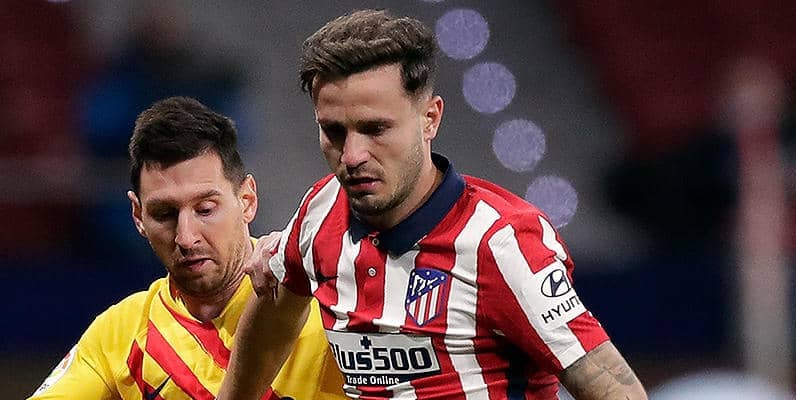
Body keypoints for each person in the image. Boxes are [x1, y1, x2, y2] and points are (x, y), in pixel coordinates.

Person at [219, 9, 648, 400]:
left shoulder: (502, 242)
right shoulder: (320, 209)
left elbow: (614, 387)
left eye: (375, 129)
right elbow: (274, 308)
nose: (352, 155)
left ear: (430, 119)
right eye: (334, 132)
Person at [28, 97, 345, 400]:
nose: (186, 237)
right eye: (164, 214)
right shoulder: (120, 333)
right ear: (138, 216)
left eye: (205, 209)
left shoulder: (324, 299)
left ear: (247, 200)